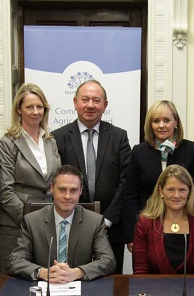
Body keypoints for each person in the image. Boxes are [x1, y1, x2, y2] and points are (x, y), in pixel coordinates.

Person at [52, 79, 131, 274]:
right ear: (75, 102)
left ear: (105, 105)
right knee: (73, 279)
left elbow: (126, 181)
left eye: (96, 100)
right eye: (85, 99)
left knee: (110, 283)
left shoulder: (119, 136)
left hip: (111, 228)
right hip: (72, 226)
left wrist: (109, 219)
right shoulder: (58, 137)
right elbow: (57, 182)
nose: (90, 105)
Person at [7, 165, 115, 281]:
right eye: (62, 189)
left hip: (80, 288)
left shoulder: (94, 221)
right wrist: (42, 272)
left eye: (73, 190)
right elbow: (15, 260)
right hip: (44, 286)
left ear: (81, 191)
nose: (67, 196)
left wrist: (77, 273)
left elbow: (108, 260)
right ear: (52, 189)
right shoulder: (32, 221)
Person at [124, 100, 194, 252]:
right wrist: (131, 235)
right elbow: (130, 195)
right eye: (156, 121)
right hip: (147, 226)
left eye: (166, 120)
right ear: (150, 124)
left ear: (176, 122)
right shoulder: (139, 152)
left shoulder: (192, 149)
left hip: (184, 223)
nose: (161, 125)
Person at [0, 83, 61, 273]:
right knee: (15, 284)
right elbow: (5, 190)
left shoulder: (51, 141)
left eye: (39, 107)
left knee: (47, 278)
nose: (35, 111)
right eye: (29, 107)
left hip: (48, 223)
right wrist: (30, 221)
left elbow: (56, 181)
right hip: (17, 224)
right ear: (19, 109)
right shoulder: (8, 143)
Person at [133, 164, 194, 274]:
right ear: (160, 191)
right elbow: (140, 272)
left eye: (182, 189)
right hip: (154, 290)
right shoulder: (145, 223)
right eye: (170, 189)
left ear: (189, 191)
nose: (176, 195)